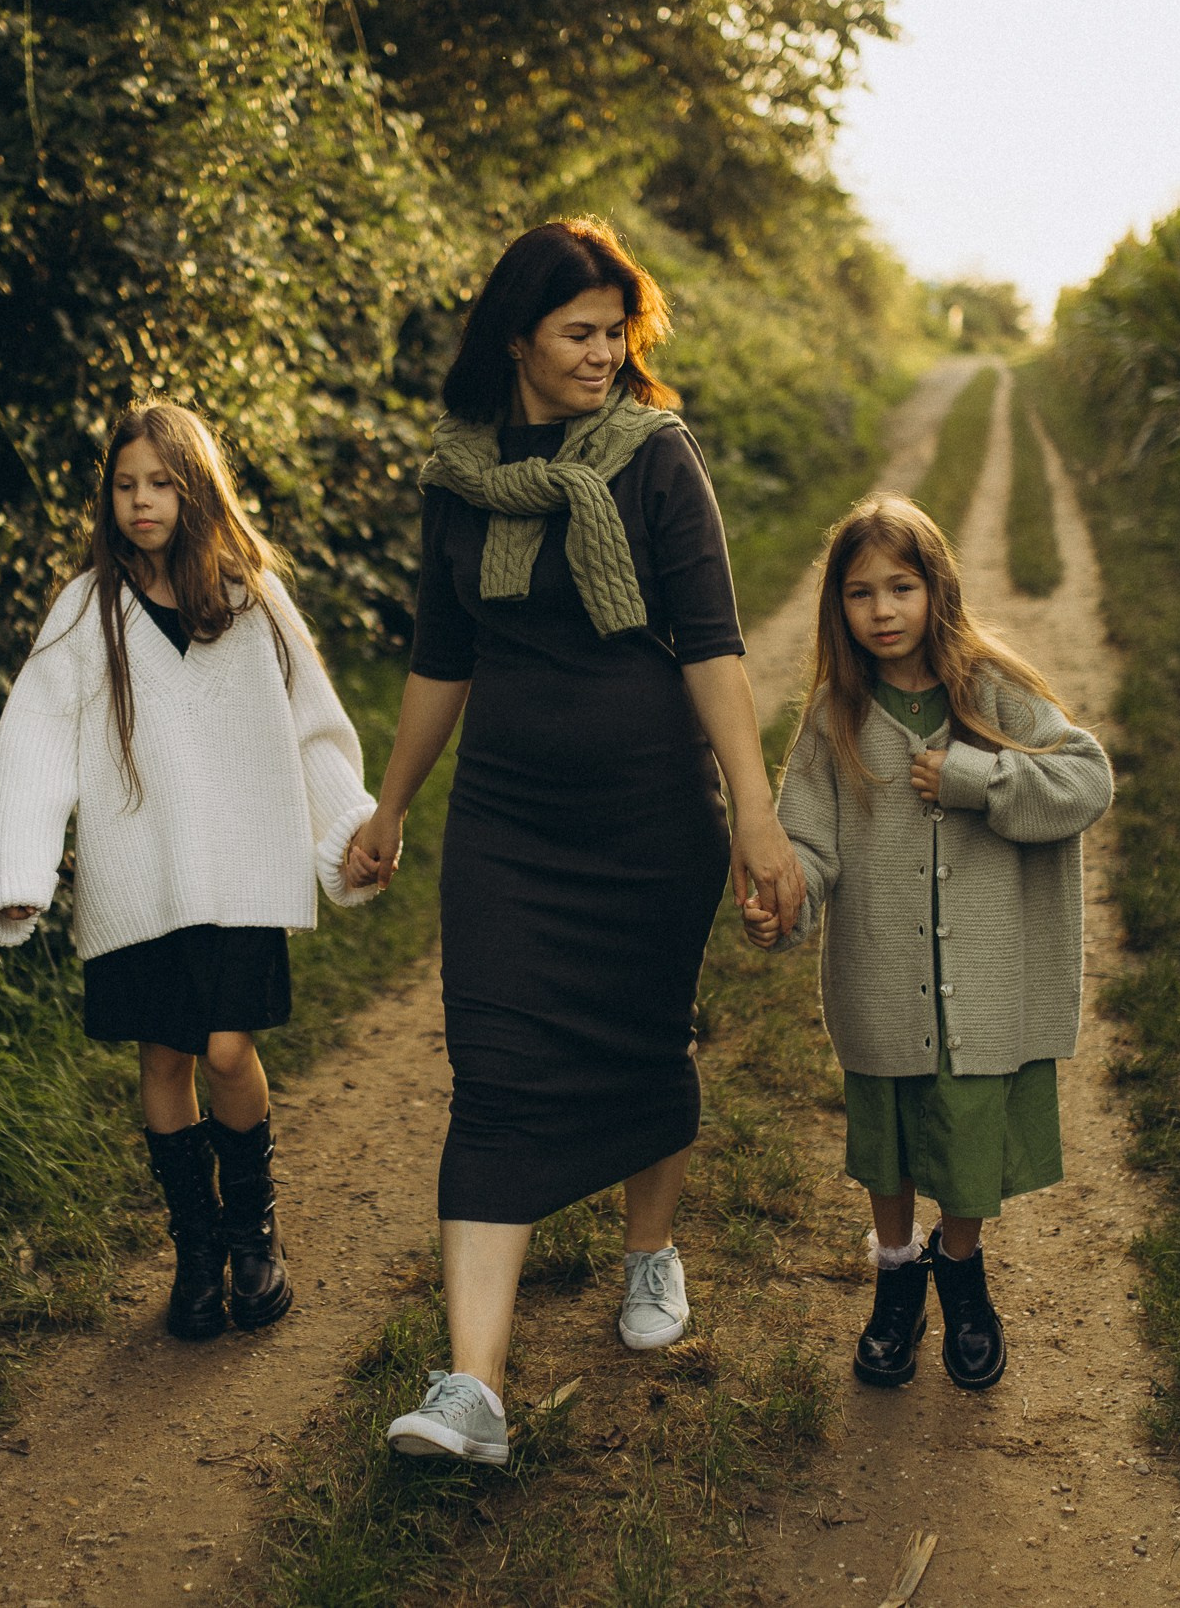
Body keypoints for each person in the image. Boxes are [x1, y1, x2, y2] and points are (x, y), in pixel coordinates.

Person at [344, 218, 802, 1464]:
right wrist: (390, 802)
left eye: (617, 332)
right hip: (505, 816)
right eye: (579, 334)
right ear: (517, 339)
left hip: (650, 813)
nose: (605, 354)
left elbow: (711, 644)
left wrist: (754, 813)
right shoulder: (457, 475)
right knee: (492, 1070)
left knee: (640, 1037)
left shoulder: (654, 459)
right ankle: (472, 1389)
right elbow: (443, 656)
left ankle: (647, 1250)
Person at [0, 401, 379, 1340]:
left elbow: (312, 722)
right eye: (125, 485)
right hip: (140, 878)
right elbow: (33, 738)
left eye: (161, 483)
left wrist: (349, 825)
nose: (142, 501)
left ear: (195, 490)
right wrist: (19, 867)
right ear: (107, 495)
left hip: (239, 871)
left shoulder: (251, 597)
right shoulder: (86, 611)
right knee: (164, 1058)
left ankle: (253, 1233)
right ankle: (196, 1252)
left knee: (228, 1050)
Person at [765, 492, 1113, 1390]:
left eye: (902, 587)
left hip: (986, 985)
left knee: (965, 1136)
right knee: (887, 1140)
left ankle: (960, 1271)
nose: (882, 611)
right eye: (859, 593)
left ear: (937, 589)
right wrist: (787, 903)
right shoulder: (833, 717)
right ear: (837, 609)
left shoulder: (993, 691)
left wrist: (976, 776)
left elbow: (1086, 780)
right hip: (883, 978)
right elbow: (807, 840)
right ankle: (895, 1277)